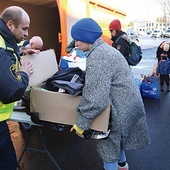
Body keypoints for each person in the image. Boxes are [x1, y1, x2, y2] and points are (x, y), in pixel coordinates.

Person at [70, 18, 150, 170]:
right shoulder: (104, 50)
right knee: (117, 141)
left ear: (87, 38)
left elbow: (96, 99)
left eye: (77, 39)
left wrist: (81, 124)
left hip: (120, 109)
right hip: (127, 104)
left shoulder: (98, 56)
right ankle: (122, 165)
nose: (75, 44)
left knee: (108, 147)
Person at [0, 6, 33, 169]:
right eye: (24, 28)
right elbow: (12, 90)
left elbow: (8, 51)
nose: (27, 34)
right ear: (10, 24)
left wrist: (24, 50)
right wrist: (24, 74)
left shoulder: (3, 39)